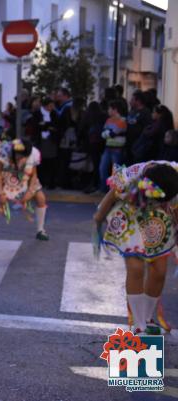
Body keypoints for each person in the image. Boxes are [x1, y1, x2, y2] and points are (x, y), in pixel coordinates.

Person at [94, 162, 178, 335]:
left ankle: (147, 318)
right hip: (130, 215)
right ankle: (139, 323)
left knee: (160, 270)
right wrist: (99, 218)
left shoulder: (174, 178)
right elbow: (110, 198)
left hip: (159, 219)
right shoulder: (129, 176)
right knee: (136, 267)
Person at [0, 138, 49, 240]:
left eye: (23, 156)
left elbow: (33, 174)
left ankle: (41, 230)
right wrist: (1, 193)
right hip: (2, 175)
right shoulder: (4, 151)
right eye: (18, 155)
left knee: (41, 198)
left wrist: (30, 192)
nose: (20, 158)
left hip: (23, 175)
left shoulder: (33, 153)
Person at [99, 100, 127, 193]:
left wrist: (108, 133)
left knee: (117, 171)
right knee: (103, 168)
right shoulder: (108, 120)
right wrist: (108, 133)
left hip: (118, 149)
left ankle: (116, 191)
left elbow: (113, 133)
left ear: (115, 110)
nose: (108, 111)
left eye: (109, 109)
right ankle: (104, 190)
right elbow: (103, 134)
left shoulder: (122, 121)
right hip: (108, 147)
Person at [32, 98, 59, 190]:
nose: (52, 108)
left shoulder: (54, 114)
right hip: (41, 140)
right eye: (50, 106)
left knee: (51, 161)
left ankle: (51, 182)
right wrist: (46, 126)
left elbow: (56, 126)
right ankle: (41, 181)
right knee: (40, 162)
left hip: (51, 140)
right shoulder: (37, 114)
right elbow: (36, 126)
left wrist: (46, 126)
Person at [125, 91, 152, 165]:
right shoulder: (132, 111)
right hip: (128, 143)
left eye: (132, 99)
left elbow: (148, 127)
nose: (130, 101)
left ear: (138, 101)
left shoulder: (146, 112)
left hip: (138, 144)